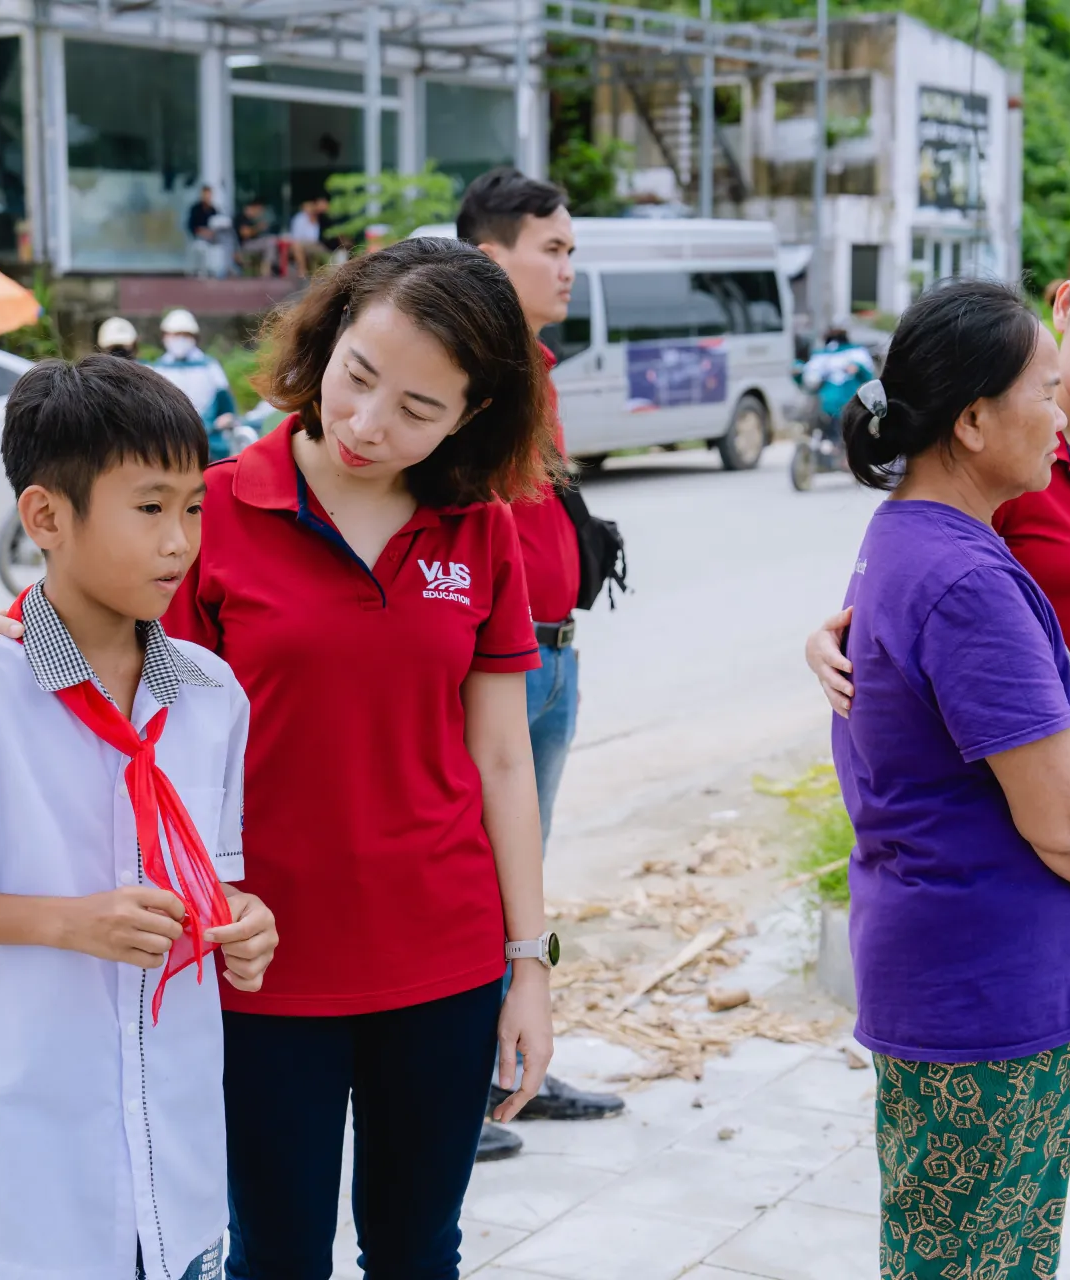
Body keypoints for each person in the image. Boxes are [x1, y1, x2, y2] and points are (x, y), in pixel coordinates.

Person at [0, 237, 559, 1279]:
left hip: (443, 961)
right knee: (275, 1254)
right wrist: (1, 631)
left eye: (419, 407)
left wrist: (531, 962)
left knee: (421, 1250)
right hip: (256, 966)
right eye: (358, 376)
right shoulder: (214, 510)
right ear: (326, 338)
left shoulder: (480, 530)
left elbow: (503, 758)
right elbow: (94, 646)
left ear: (472, 415)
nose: (369, 422)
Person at [0, 355, 280, 1280]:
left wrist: (244, 921)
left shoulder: (210, 694)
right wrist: (68, 922)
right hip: (21, 1167)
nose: (181, 542)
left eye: (195, 507)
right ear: (46, 517)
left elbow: (216, 877)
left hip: (175, 1156)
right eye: (150, 508)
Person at [809, 222, 1070, 1078]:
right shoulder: (1009, 459)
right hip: (1038, 818)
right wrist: (830, 641)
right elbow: (922, 595)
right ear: (1064, 305)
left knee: (1054, 1091)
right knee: (1018, 1090)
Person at [826, 278, 1070, 1279]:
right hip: (986, 989)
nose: (1062, 409)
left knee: (972, 1254)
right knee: (977, 1260)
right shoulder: (966, 578)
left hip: (974, 976)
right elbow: (1062, 819)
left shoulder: (915, 538)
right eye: (1040, 388)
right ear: (974, 420)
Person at [458, 166, 627, 1158]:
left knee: (525, 869)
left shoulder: (536, 366)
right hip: (495, 666)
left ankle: (513, 1058)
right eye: (552, 251)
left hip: (553, 652)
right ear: (491, 256)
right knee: (479, 871)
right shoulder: (460, 368)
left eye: (572, 251)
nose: (569, 270)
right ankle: (458, 1079)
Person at [149, 309, 239, 462]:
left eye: (184, 335)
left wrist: (227, 419)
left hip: (210, 443)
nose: (179, 340)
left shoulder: (210, 367)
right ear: (165, 337)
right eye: (175, 335)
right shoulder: (158, 369)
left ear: (194, 337)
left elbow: (227, 407)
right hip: (171, 445)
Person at [800, 326, 876, 446]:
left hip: (848, 405)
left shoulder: (855, 352)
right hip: (831, 408)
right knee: (836, 440)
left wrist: (857, 367)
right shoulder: (823, 355)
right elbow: (809, 380)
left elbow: (868, 376)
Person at [234, 198, 279, 277]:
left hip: (255, 243)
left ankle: (269, 268)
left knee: (272, 241)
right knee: (270, 242)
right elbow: (245, 233)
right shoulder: (241, 217)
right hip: (245, 245)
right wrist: (259, 227)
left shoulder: (253, 219)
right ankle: (266, 270)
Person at [288, 195, 331, 276]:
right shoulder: (300, 218)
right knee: (297, 246)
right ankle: (302, 271)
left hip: (317, 244)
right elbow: (296, 237)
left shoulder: (320, 218)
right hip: (303, 243)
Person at [187, 185, 222, 279]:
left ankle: (216, 270)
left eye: (209, 194)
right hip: (199, 238)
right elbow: (191, 226)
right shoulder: (195, 209)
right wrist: (201, 232)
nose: (207, 197)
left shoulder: (214, 210)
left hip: (212, 239)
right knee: (200, 247)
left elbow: (218, 226)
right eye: (205, 194)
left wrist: (211, 233)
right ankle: (200, 271)